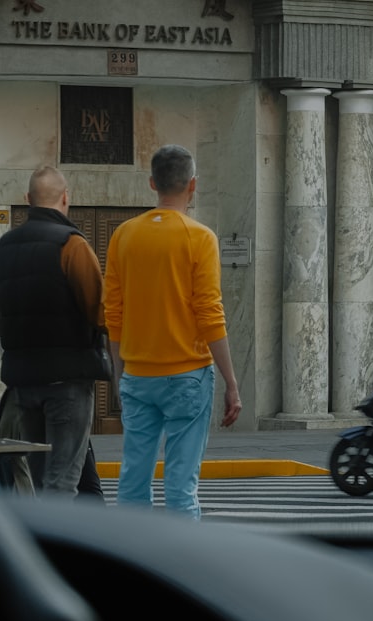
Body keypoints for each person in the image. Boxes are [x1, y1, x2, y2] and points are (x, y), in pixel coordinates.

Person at [103, 144, 242, 519]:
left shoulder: (123, 236)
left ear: (152, 183)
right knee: (181, 485)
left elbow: (112, 313)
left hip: (137, 374)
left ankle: (133, 563)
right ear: (192, 185)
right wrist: (231, 382)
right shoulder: (200, 238)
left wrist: (120, 371)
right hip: (187, 375)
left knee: (133, 481)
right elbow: (210, 314)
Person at [0, 165, 110, 499]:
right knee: (62, 480)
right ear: (66, 198)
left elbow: (2, 312)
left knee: (40, 478)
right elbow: (97, 309)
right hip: (67, 382)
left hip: (23, 381)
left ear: (28, 199)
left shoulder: (5, 246)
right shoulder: (72, 245)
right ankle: (57, 547)